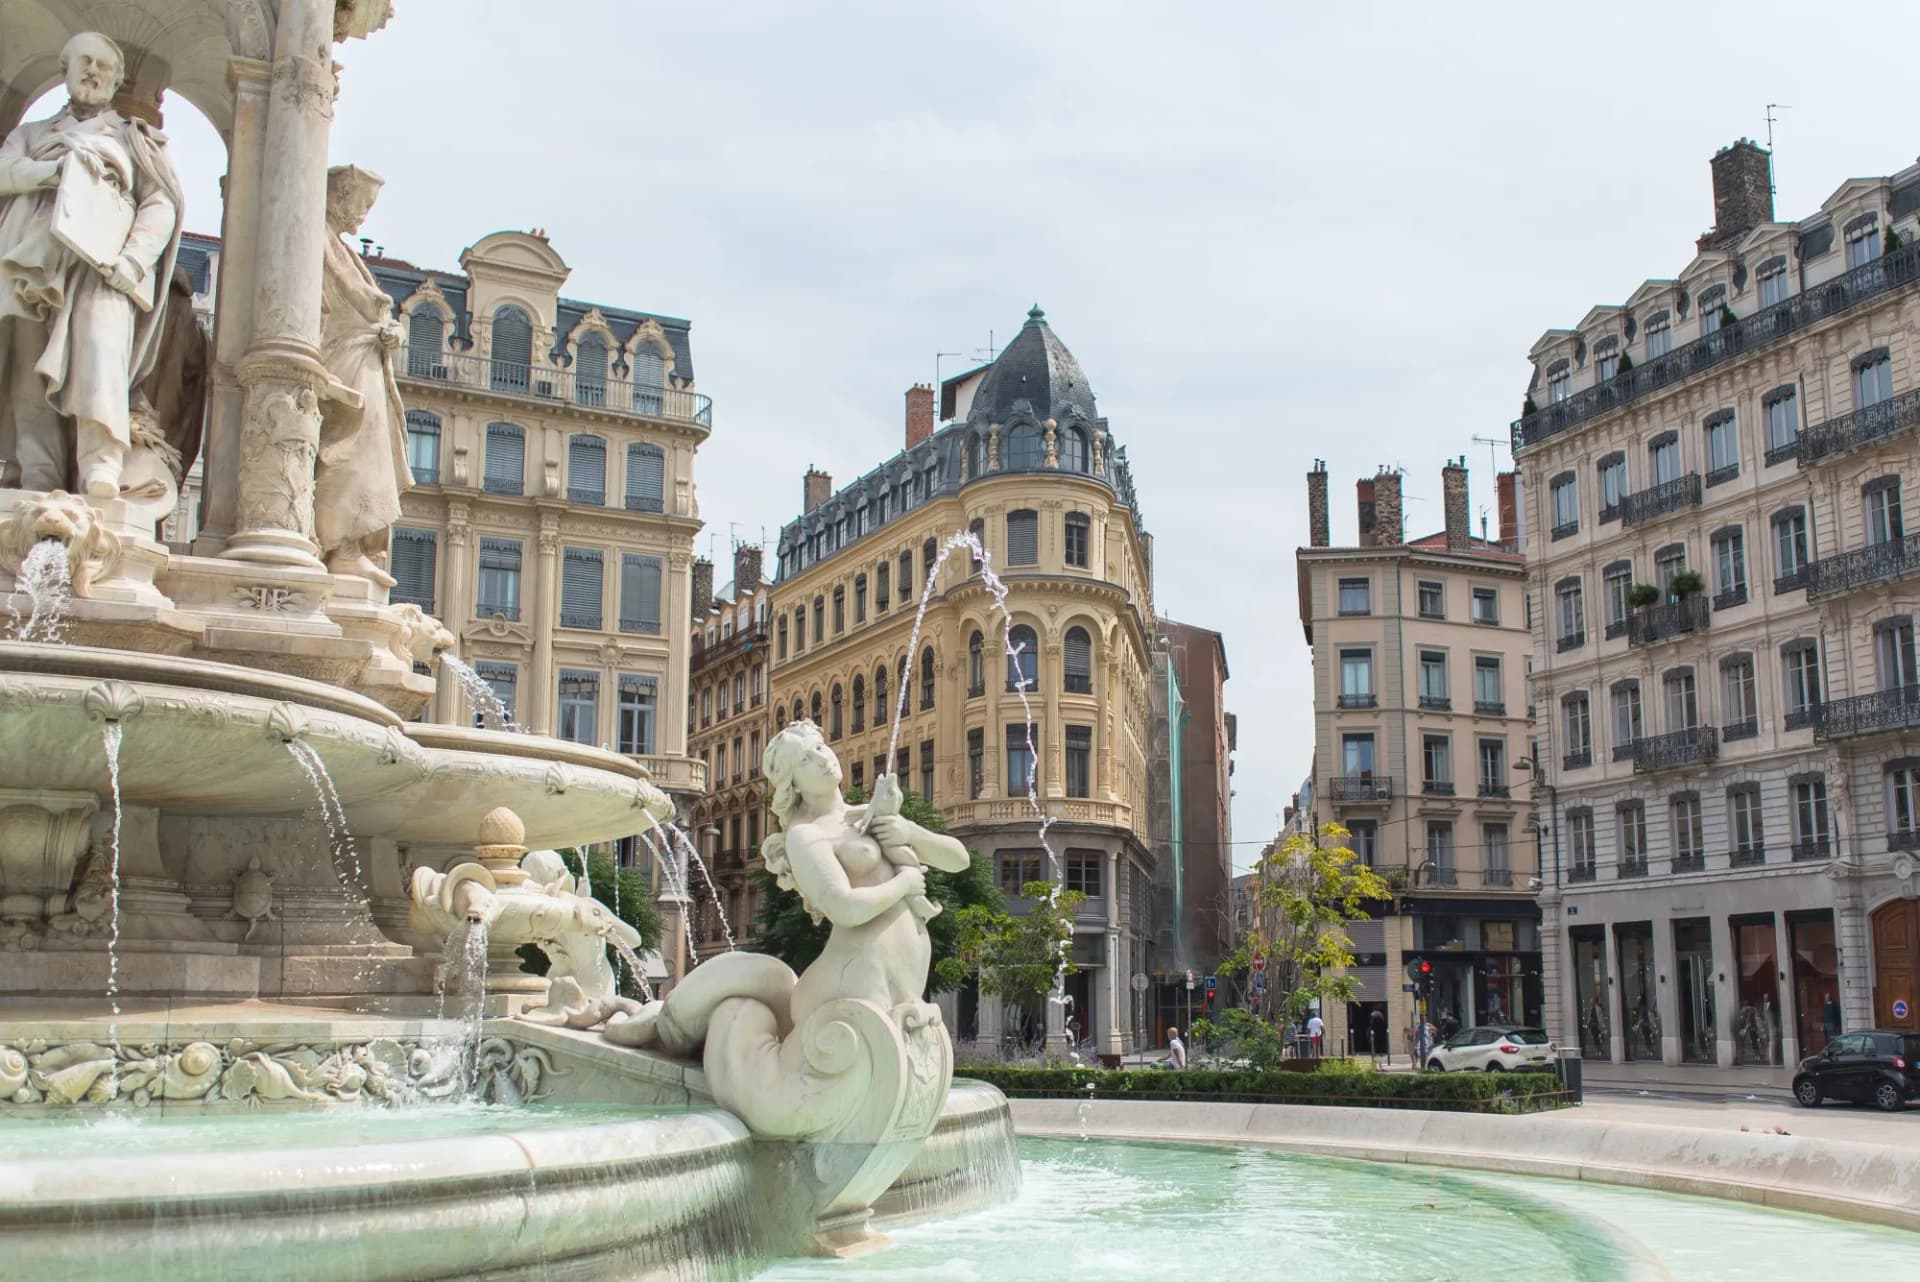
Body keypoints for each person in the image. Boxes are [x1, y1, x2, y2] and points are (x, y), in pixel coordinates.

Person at [0, 31, 184, 497]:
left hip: (102, 265)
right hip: (29, 266)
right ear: (63, 71)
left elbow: (160, 201)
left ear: (118, 78)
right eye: (83, 62)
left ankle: (101, 465)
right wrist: (52, 172)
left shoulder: (133, 137)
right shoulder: (31, 135)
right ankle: (37, 476)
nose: (93, 72)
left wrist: (135, 259)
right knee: (27, 375)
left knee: (100, 355)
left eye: (103, 65)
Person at [313, 164, 412, 582]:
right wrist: (382, 322)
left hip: (365, 358)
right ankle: (339, 543)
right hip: (344, 360)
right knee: (350, 453)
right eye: (363, 203)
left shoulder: (342, 247)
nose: (364, 215)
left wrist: (390, 331)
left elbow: (370, 306)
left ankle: (349, 544)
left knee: (368, 456)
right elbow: (362, 302)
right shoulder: (314, 235)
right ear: (341, 195)